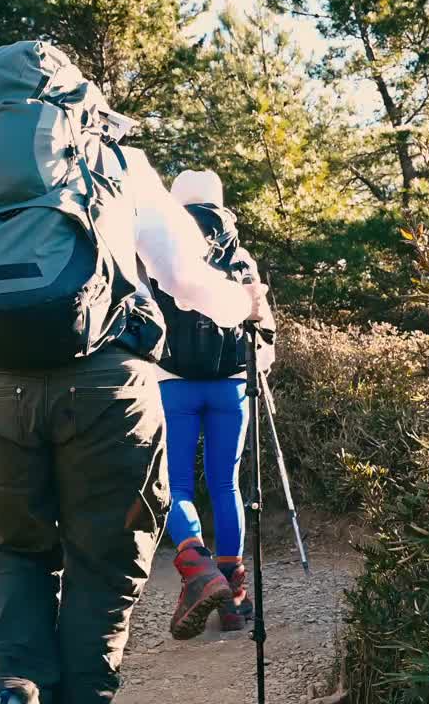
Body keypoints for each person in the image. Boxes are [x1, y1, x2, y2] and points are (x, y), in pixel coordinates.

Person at [0, 142, 271, 703]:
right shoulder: (114, 159)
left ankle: (11, 686)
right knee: (102, 562)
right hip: (106, 388)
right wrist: (245, 305)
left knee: (15, 552)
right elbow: (184, 277)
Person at [152, 170, 275, 640]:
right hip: (230, 385)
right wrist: (259, 367)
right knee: (226, 484)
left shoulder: (161, 246)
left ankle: (200, 573)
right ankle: (235, 598)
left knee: (174, 485)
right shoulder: (240, 255)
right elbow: (262, 324)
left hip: (173, 383)